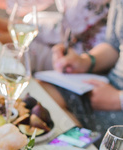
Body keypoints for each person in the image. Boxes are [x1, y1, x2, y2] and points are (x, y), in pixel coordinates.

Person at [44, 0, 123, 140]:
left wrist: (118, 99)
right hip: (107, 86)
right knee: (41, 94)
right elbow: (114, 45)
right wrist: (85, 62)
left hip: (117, 105)